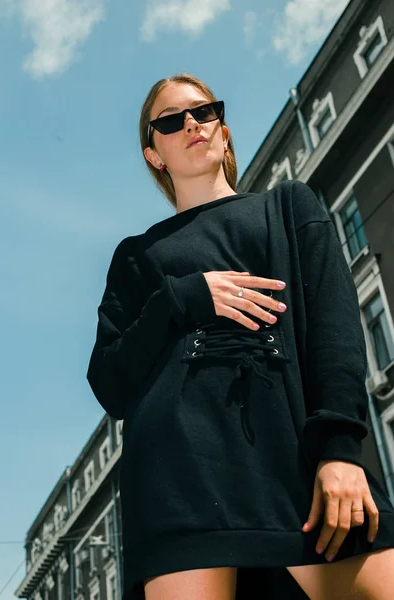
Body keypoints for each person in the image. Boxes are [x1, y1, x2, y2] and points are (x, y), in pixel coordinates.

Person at [86, 73, 394, 600]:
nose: (192, 124)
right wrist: (181, 299)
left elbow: (334, 330)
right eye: (171, 120)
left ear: (223, 132)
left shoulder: (288, 206)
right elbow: (110, 382)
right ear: (153, 155)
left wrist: (340, 449)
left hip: (293, 450)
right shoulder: (136, 256)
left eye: (204, 113)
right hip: (178, 478)